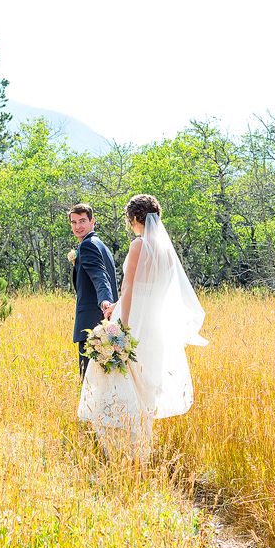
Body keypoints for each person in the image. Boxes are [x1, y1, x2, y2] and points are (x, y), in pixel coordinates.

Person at [78, 194, 207, 463]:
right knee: (145, 386)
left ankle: (120, 451)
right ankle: (141, 450)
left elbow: (130, 287)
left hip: (136, 320)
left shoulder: (139, 245)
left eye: (130, 220)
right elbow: (157, 292)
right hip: (156, 325)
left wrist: (120, 322)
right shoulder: (166, 251)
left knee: (119, 382)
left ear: (135, 218)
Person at [68, 203, 119, 380]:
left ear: (92, 222)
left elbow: (100, 277)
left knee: (90, 384)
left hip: (93, 325)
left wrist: (105, 302)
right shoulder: (101, 245)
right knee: (107, 380)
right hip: (107, 323)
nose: (77, 226)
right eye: (73, 222)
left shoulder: (88, 245)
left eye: (82, 221)